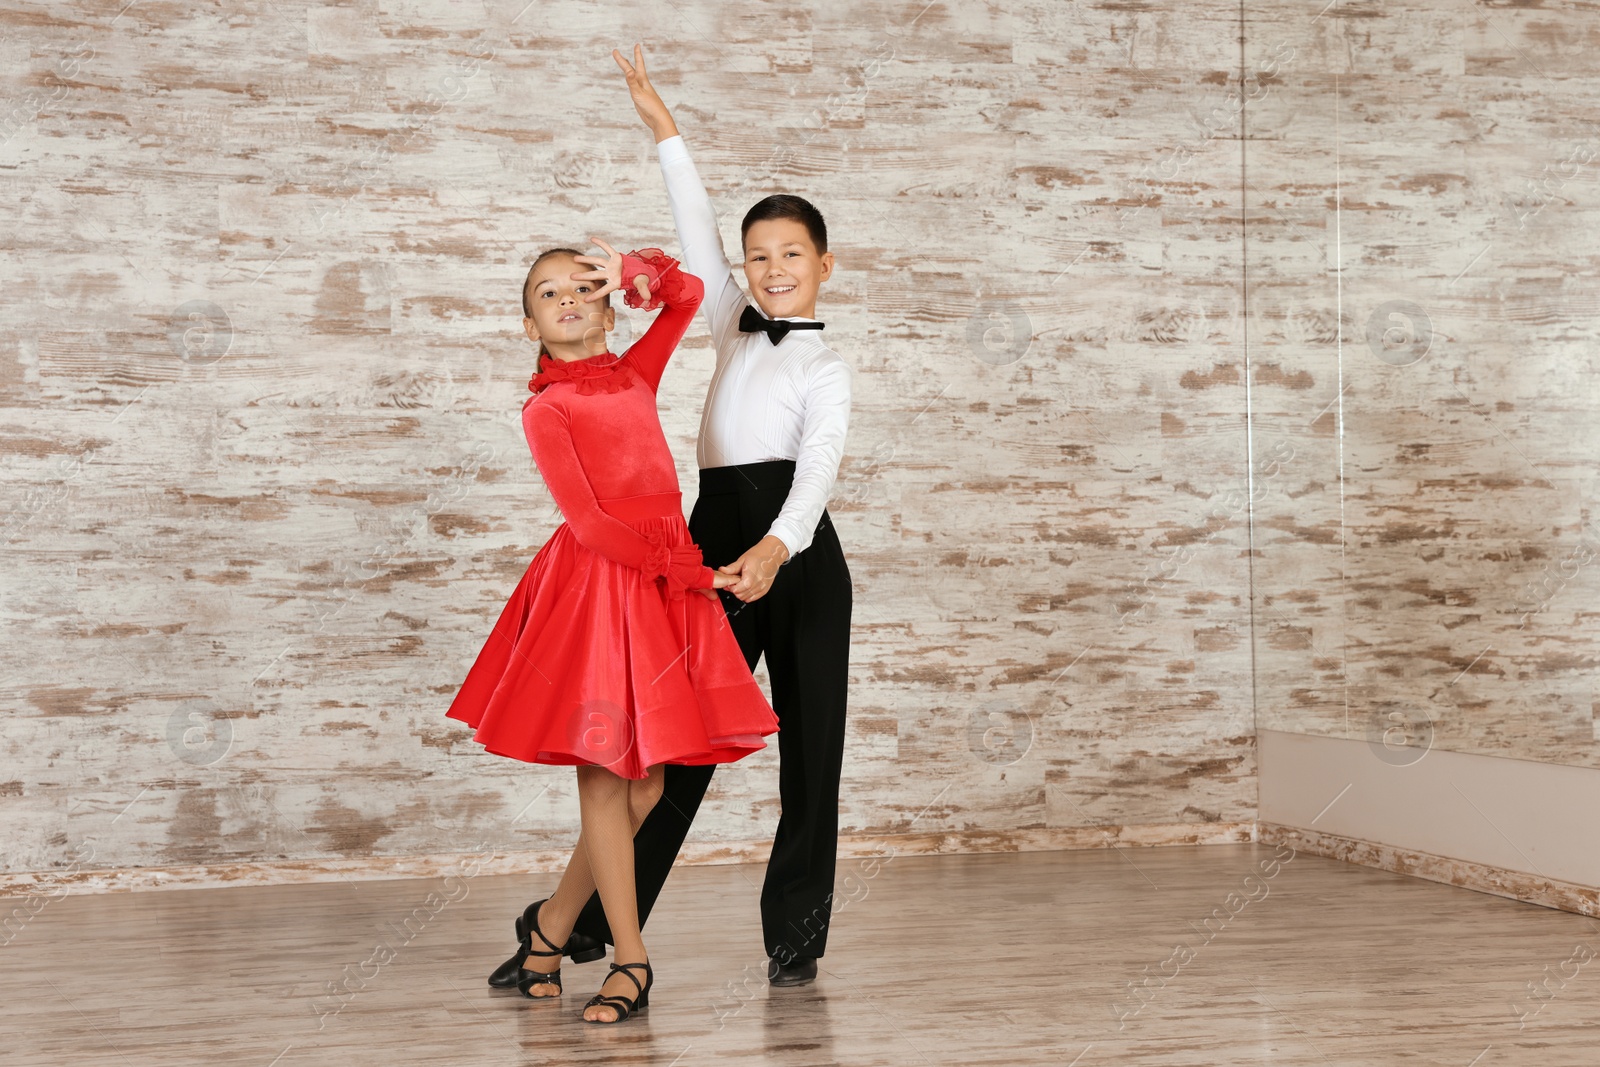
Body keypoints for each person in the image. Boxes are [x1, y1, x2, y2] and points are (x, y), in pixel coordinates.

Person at [564, 44, 855, 988]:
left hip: (798, 551)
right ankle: (602, 926)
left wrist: (777, 547)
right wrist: (665, 132)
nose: (772, 270)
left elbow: (816, 471)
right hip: (710, 536)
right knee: (676, 740)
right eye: (757, 256)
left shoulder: (825, 367)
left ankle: (796, 942)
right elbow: (693, 237)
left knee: (811, 752)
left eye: (791, 256)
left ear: (824, 265)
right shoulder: (731, 314)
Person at [446, 236, 778, 1023]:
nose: (566, 298)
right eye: (545, 294)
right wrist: (692, 572)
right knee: (605, 771)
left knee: (648, 786)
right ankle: (631, 958)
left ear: (601, 303)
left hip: (662, 585)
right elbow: (591, 523)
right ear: (530, 327)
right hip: (604, 585)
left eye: (578, 287)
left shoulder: (632, 372)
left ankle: (549, 927)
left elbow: (690, 295)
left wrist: (633, 273)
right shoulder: (546, 406)